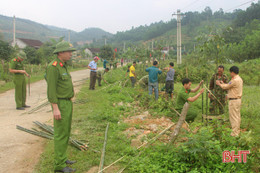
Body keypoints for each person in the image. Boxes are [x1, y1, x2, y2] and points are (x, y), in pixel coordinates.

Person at [46, 41, 76, 173]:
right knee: (60, 134)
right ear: (60, 53)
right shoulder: (53, 67)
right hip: (60, 104)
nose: (71, 54)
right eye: (68, 51)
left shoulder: (63, 66)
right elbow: (51, 89)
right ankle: (59, 165)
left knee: (66, 132)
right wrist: (55, 107)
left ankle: (63, 158)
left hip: (67, 102)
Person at [216, 66, 243, 137]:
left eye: (230, 72)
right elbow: (229, 86)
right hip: (237, 100)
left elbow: (226, 87)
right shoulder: (239, 79)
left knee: (233, 117)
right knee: (237, 116)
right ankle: (237, 131)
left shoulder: (234, 80)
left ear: (232, 72)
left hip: (233, 100)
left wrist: (219, 84)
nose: (230, 74)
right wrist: (222, 83)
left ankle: (234, 134)